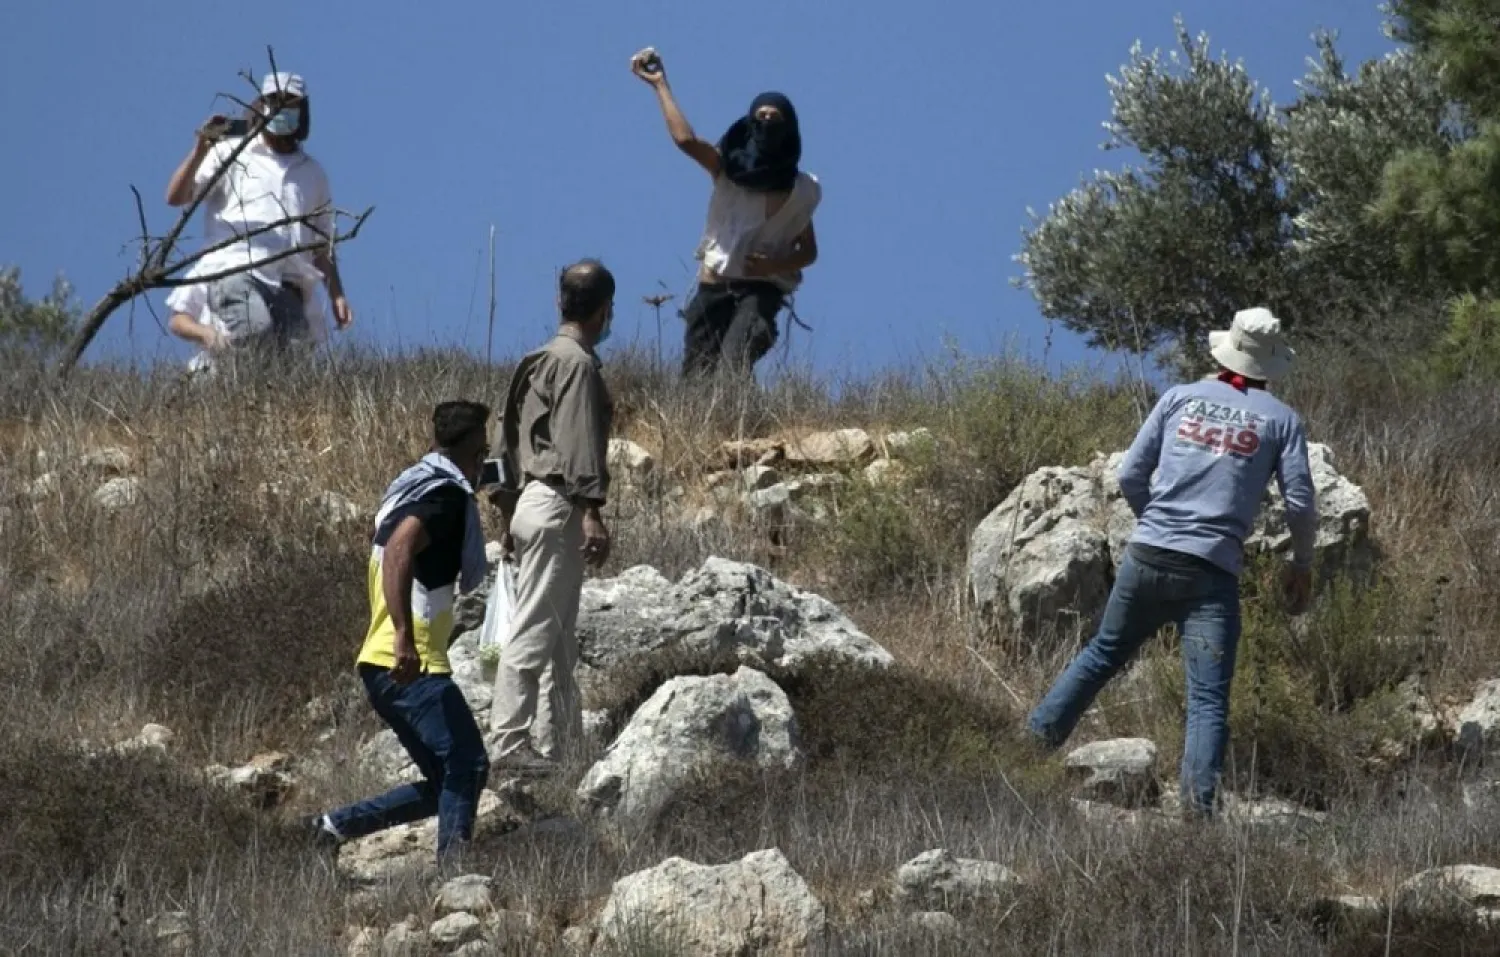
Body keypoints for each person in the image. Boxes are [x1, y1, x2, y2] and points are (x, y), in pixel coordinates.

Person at [1025, 307, 1318, 818]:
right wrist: (1302, 561)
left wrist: (1156, 526)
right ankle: (1196, 817)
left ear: (1228, 349)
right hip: (1211, 575)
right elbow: (1299, 502)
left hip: (1149, 555)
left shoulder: (1179, 397)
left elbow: (1131, 475)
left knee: (1101, 657)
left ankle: (1025, 756)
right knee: (1206, 700)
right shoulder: (1281, 421)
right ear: (1269, 363)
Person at [307, 401, 493, 863]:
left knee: (444, 782)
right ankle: (455, 875)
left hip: (380, 665)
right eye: (482, 454)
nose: (482, 465)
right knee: (467, 764)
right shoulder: (446, 497)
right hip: (412, 663)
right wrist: (406, 639)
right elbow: (397, 553)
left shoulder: (412, 488)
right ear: (472, 448)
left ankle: (329, 828)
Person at [488, 260, 616, 773]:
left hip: (527, 504)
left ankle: (561, 748)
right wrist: (591, 512)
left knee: (559, 636)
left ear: (560, 302)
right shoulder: (579, 365)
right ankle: (509, 742)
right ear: (605, 310)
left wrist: (504, 511)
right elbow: (579, 443)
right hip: (558, 503)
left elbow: (502, 443)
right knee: (536, 628)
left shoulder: (532, 360)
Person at [631, 48, 821, 380]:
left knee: (735, 363)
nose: (766, 123)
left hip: (760, 291)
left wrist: (774, 265)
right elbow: (686, 140)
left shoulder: (802, 191)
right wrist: (660, 85)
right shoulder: (727, 171)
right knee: (696, 377)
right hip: (713, 287)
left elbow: (808, 250)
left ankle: (741, 427)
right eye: (760, 116)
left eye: (774, 118)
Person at [164, 71, 352, 367]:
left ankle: (253, 404)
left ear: (301, 112)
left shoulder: (312, 174)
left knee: (294, 359)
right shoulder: (231, 152)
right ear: (260, 105)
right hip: (236, 268)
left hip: (289, 281)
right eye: (273, 102)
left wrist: (337, 294)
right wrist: (201, 148)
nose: (280, 111)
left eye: (289, 104)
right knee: (254, 329)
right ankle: (227, 388)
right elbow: (176, 196)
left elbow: (321, 245)